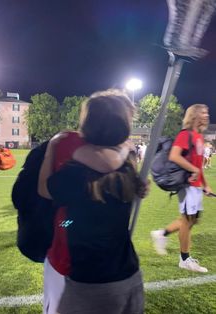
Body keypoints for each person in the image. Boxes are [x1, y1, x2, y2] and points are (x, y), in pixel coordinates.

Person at [38, 89, 149, 314]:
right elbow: (129, 181)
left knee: (64, 223)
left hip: (90, 282)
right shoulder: (127, 166)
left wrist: (51, 149)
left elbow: (44, 190)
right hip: (128, 274)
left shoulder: (76, 172)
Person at [151, 104, 213, 273]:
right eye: (203, 112)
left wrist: (205, 184)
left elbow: (198, 165)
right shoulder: (185, 135)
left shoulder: (198, 136)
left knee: (192, 220)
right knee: (187, 221)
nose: (207, 115)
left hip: (195, 185)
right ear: (193, 115)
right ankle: (184, 259)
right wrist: (193, 171)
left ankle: (161, 234)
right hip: (186, 185)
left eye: (207, 112)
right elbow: (174, 156)